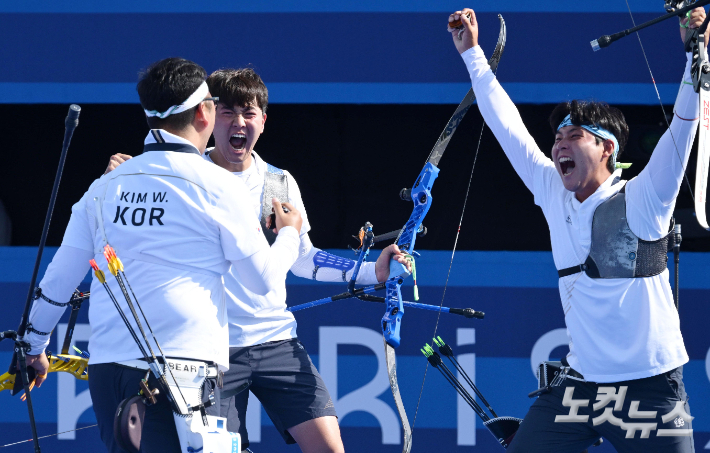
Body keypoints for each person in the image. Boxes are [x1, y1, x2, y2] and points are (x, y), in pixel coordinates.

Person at [105, 67, 410, 452]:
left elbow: (304, 258)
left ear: (263, 122)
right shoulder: (181, 178)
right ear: (209, 117)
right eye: (228, 111)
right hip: (210, 353)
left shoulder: (279, 183)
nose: (239, 122)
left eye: (249, 113)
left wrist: (373, 272)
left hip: (276, 341)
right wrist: (123, 181)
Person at [448, 7, 703, 453]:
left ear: (608, 147)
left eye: (574, 135)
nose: (559, 144)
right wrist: (472, 54)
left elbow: (683, 129)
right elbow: (506, 125)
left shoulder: (646, 197)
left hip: (653, 389)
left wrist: (694, 55)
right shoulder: (553, 190)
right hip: (581, 388)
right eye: (557, 137)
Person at [22, 57, 304, 453]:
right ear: (205, 113)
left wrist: (33, 346)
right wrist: (289, 236)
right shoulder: (221, 187)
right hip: (179, 375)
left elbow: (58, 280)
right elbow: (263, 282)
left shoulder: (104, 188)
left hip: (109, 374)